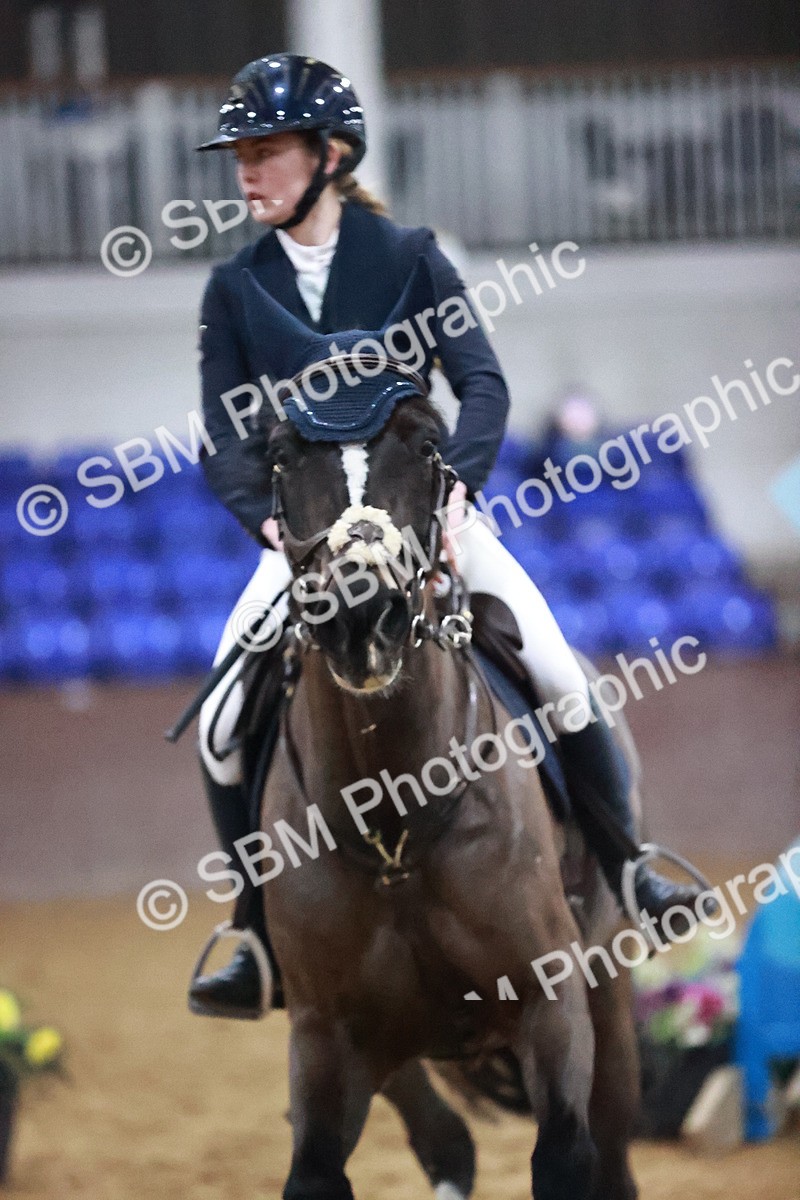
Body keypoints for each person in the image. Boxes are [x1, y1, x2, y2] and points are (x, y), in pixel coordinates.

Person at [189, 53, 702, 1021]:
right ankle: (255, 933)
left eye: (266, 151)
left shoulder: (412, 257)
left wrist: (457, 486)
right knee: (219, 723)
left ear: (330, 155)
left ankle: (632, 867)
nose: (246, 171)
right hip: (303, 542)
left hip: (426, 520)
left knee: (558, 671)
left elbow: (482, 385)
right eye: (241, 155)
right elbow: (221, 430)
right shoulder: (233, 287)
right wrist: (263, 518)